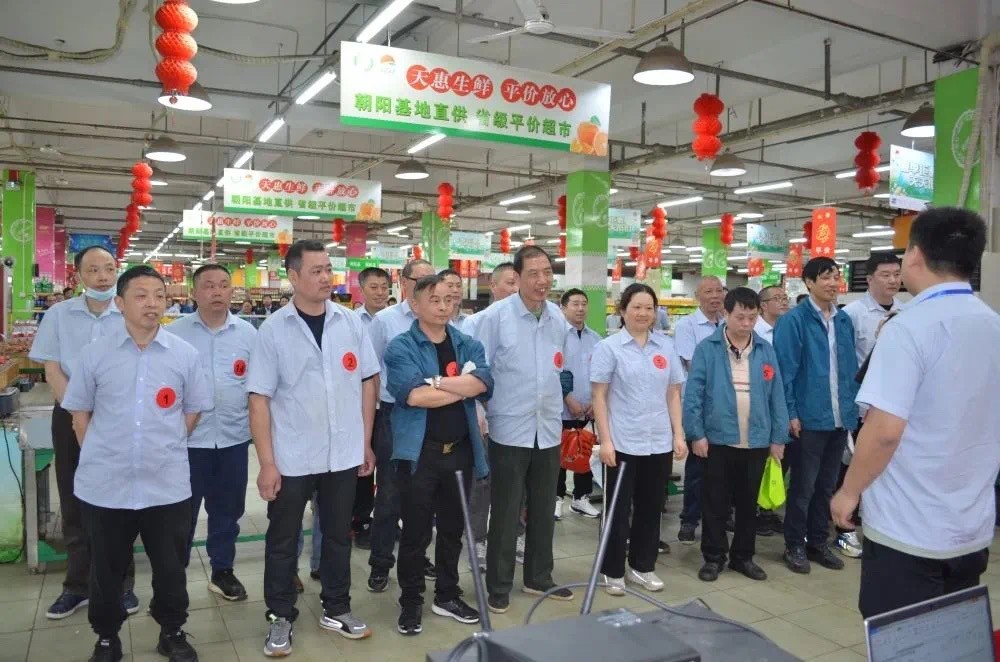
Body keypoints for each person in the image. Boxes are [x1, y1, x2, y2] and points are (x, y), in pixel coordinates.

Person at [830, 208, 999, 617]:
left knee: (903, 636)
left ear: (916, 255)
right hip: (971, 526)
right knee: (952, 632)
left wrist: (849, 492)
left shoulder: (909, 328)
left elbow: (885, 430)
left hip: (908, 529)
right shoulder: (992, 324)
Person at [61, 265, 213, 662]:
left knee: (171, 566)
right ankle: (107, 637)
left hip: (166, 485)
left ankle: (172, 631)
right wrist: (102, 454)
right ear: (120, 302)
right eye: (141, 295)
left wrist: (164, 445)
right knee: (106, 569)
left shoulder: (184, 354)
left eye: (159, 296)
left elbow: (193, 410)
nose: (152, 304)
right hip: (106, 486)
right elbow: (80, 413)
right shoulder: (95, 354)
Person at [247, 240, 379, 655]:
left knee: (338, 534)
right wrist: (267, 463)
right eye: (316, 270)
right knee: (283, 539)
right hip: (292, 455)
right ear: (293, 276)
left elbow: (368, 382)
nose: (326, 278)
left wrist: (365, 443)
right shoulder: (274, 330)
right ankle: (279, 616)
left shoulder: (350, 323)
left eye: (328, 269)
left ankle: (336, 607)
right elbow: (258, 399)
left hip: (343, 452)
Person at [28, 245, 139, 620]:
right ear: (78, 276)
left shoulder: (129, 313)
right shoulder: (58, 315)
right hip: (70, 416)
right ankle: (77, 586)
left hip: (118, 416)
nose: (103, 277)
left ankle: (122, 583)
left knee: (120, 498)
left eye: (109, 268)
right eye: (93, 270)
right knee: (74, 498)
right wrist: (79, 413)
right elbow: (52, 369)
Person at [385, 274, 494, 635]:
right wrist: (462, 387)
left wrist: (436, 382)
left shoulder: (466, 343)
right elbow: (414, 396)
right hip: (420, 456)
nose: (444, 306)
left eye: (449, 299)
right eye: (434, 300)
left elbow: (484, 383)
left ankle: (447, 595)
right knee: (415, 533)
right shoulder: (401, 347)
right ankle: (411, 601)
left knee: (452, 530)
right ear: (414, 304)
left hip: (460, 453)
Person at [469, 246, 574, 614]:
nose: (542, 280)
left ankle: (538, 576)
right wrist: (480, 414)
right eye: (533, 273)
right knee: (506, 510)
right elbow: (475, 371)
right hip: (509, 429)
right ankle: (498, 584)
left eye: (547, 272)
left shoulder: (557, 318)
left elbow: (557, 368)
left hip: (548, 427)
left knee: (543, 508)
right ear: (517, 277)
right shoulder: (494, 318)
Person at [684, 287, 789, 583]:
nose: (746, 323)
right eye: (740, 317)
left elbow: (777, 396)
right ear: (726, 314)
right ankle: (713, 557)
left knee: (747, 504)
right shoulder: (707, 348)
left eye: (752, 318)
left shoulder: (765, 350)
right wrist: (696, 434)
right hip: (717, 439)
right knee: (715, 503)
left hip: (756, 439)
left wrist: (778, 438)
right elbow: (694, 395)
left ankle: (743, 557)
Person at [168, 264, 257, 602]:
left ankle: (222, 571)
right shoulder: (174, 334)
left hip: (233, 439)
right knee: (181, 513)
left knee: (228, 511)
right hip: (187, 441)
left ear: (232, 291)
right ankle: (173, 575)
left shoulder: (248, 334)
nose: (217, 292)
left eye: (223, 285)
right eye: (208, 285)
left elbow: (258, 386)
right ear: (193, 292)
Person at [591, 283, 687, 595]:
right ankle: (612, 570)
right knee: (618, 510)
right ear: (623, 311)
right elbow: (599, 396)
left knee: (651, 507)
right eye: (636, 307)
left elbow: (673, 393)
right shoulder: (609, 348)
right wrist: (605, 441)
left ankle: (642, 567)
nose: (643, 313)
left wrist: (678, 434)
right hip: (622, 442)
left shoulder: (665, 347)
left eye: (649, 308)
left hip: (658, 441)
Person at [773, 257, 859, 574]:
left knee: (826, 486)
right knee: (803, 488)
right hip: (808, 418)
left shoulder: (843, 320)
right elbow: (785, 372)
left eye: (836, 277)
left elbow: (849, 370)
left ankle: (818, 542)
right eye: (825, 277)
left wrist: (852, 410)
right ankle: (795, 544)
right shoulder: (793, 321)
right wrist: (791, 413)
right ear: (809, 282)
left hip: (839, 417)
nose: (832, 283)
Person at [366, 258, 437, 593]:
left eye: (432, 279)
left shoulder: (438, 319)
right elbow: (370, 371)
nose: (427, 285)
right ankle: (380, 563)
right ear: (403, 283)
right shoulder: (385, 321)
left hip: (431, 414)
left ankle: (418, 557)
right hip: (394, 416)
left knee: (424, 494)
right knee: (389, 495)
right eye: (420, 279)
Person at [834, 253, 904, 559]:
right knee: (851, 469)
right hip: (861, 408)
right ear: (870, 278)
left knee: (886, 471)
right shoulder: (852, 314)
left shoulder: (906, 311)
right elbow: (844, 363)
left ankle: (879, 528)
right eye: (885, 275)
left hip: (894, 408)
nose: (893, 280)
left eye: (897, 274)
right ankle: (844, 532)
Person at [461, 262, 520, 570]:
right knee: (481, 483)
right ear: (493, 287)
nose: (515, 288)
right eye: (509, 282)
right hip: (485, 415)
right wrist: (478, 413)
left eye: (518, 282)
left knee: (516, 482)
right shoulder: (476, 323)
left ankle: (514, 536)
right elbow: (469, 372)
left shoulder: (531, 322)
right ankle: (477, 540)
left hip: (519, 419)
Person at [673, 276, 725, 545]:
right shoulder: (687, 325)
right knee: (697, 466)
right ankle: (689, 520)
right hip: (700, 405)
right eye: (709, 291)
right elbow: (693, 365)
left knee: (723, 465)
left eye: (719, 291)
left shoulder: (729, 323)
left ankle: (720, 516)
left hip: (727, 407)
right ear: (697, 296)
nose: (715, 296)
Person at [344, 267, 393, 552]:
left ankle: (385, 519)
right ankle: (360, 520)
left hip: (388, 407)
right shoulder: (350, 321)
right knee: (362, 466)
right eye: (373, 287)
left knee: (387, 465)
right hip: (361, 406)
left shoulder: (398, 320)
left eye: (384, 287)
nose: (380, 292)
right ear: (361, 289)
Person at [557, 288, 601, 520]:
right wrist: (568, 399)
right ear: (563, 308)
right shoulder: (557, 336)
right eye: (575, 304)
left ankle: (581, 498)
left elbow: (601, 373)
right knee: (560, 454)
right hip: (563, 407)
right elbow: (554, 371)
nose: (580, 308)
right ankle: (556, 498)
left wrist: (596, 401)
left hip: (588, 409)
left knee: (585, 452)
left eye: (584, 303)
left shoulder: (596, 339)